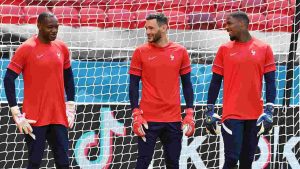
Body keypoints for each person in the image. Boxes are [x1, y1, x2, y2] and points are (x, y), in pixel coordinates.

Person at [3, 12, 75, 169]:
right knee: (34, 163)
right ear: (39, 26)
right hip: (34, 119)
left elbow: (69, 77)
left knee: (64, 164)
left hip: (58, 117)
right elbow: (8, 79)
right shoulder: (26, 48)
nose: (54, 30)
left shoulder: (61, 47)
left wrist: (70, 105)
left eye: (56, 27)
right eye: (50, 27)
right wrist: (16, 113)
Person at [205, 11, 276, 169]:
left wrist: (269, 110)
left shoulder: (264, 48)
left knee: (247, 162)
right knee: (231, 158)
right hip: (232, 114)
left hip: (255, 115)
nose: (226, 27)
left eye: (229, 23)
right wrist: (209, 109)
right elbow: (215, 82)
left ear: (242, 24)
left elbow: (271, 82)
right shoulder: (224, 49)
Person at [128, 13, 195, 169]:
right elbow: (133, 85)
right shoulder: (140, 52)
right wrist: (135, 113)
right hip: (147, 120)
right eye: (146, 28)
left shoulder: (180, 51)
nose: (147, 32)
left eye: (151, 28)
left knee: (173, 163)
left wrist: (190, 113)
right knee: (142, 163)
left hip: (173, 119)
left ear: (164, 28)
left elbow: (187, 84)